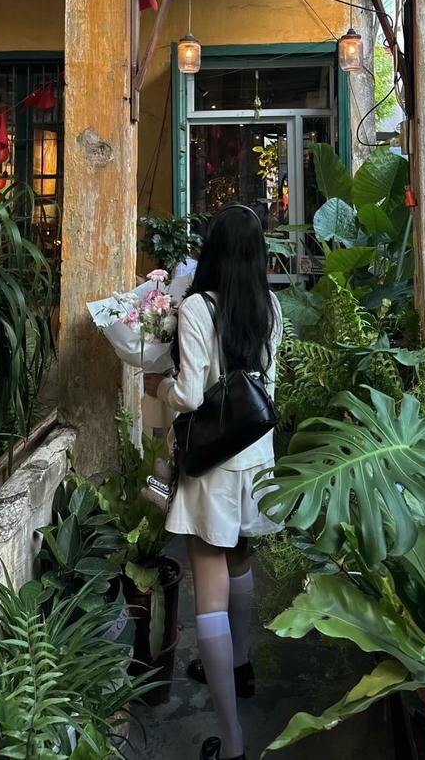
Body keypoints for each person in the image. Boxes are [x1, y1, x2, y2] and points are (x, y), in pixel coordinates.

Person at [144, 203, 283, 760]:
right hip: (258, 457)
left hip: (213, 465)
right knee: (240, 561)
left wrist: (157, 386)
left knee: (209, 593)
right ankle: (240, 665)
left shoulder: (199, 307)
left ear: (215, 252)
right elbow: (270, 383)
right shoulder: (271, 305)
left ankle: (231, 743)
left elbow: (190, 395)